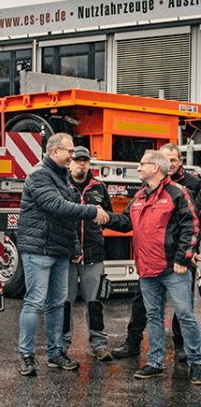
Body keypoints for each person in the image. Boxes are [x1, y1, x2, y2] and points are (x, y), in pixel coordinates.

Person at [17, 133, 109, 377]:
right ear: (54, 151)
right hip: (39, 249)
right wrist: (92, 210)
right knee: (35, 301)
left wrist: (75, 249)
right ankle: (26, 355)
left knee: (57, 303)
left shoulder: (63, 177)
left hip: (59, 250)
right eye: (69, 151)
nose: (72, 155)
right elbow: (57, 206)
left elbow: (69, 219)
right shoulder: (39, 175)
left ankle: (56, 353)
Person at [105, 150, 201, 383]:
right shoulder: (139, 196)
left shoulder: (177, 193)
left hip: (173, 269)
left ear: (155, 168)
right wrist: (105, 217)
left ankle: (196, 362)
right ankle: (155, 363)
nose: (138, 169)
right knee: (154, 316)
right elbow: (127, 221)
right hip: (147, 269)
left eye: (141, 165)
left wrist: (181, 259)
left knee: (186, 315)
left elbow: (192, 226)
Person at [62, 146, 113, 361]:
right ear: (70, 162)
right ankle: (62, 344)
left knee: (95, 302)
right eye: (77, 160)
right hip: (67, 255)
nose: (81, 164)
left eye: (85, 161)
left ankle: (99, 344)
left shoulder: (99, 188)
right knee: (64, 302)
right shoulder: (62, 186)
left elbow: (106, 215)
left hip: (93, 254)